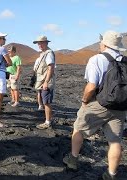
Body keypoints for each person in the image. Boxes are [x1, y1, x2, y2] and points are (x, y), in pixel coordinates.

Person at [63, 30, 126, 180]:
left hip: (99, 103)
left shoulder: (97, 59)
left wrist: (85, 102)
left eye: (101, 41)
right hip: (120, 106)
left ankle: (72, 160)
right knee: (115, 141)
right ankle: (111, 174)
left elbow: (91, 86)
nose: (99, 43)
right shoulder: (125, 60)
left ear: (104, 43)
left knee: (78, 129)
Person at [33, 35, 56, 130]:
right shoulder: (43, 53)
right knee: (45, 101)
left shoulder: (49, 54)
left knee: (46, 102)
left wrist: (46, 81)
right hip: (42, 81)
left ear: (46, 43)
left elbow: (51, 68)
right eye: (38, 43)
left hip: (46, 81)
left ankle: (48, 122)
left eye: (41, 43)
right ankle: (48, 119)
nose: (39, 45)